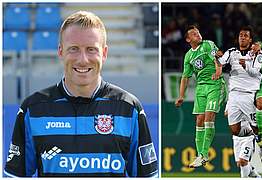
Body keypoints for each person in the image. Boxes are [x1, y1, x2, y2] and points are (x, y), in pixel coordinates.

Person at [4, 11, 158, 177]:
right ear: (60, 52)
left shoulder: (129, 109)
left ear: (104, 53)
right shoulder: (32, 109)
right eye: (74, 49)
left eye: (91, 49)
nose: (83, 59)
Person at [218, 26, 262, 177]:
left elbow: (255, 71)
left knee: (255, 128)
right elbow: (220, 62)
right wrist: (216, 56)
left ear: (250, 39)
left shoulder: (257, 53)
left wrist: (245, 64)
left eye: (246, 36)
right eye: (241, 35)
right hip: (234, 95)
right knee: (234, 129)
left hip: (249, 94)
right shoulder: (232, 52)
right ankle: (253, 171)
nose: (243, 38)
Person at [175, 25, 227, 168]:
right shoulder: (188, 56)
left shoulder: (208, 44)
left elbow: (218, 57)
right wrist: (181, 95)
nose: (198, 34)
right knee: (199, 120)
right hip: (201, 88)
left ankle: (204, 154)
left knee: (209, 116)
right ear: (188, 39)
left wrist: (218, 70)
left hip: (215, 84)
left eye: (198, 32)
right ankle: (200, 156)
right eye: (194, 34)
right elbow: (185, 77)